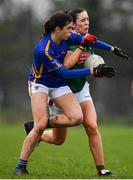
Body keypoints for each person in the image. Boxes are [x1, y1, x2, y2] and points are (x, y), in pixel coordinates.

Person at [14, 11, 116, 175]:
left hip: (58, 84)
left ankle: (38, 126)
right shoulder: (43, 50)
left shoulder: (69, 37)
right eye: (69, 28)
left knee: (77, 118)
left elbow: (90, 40)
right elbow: (65, 74)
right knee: (40, 126)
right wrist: (93, 71)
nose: (71, 32)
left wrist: (112, 49)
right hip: (40, 84)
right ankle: (20, 166)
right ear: (57, 29)